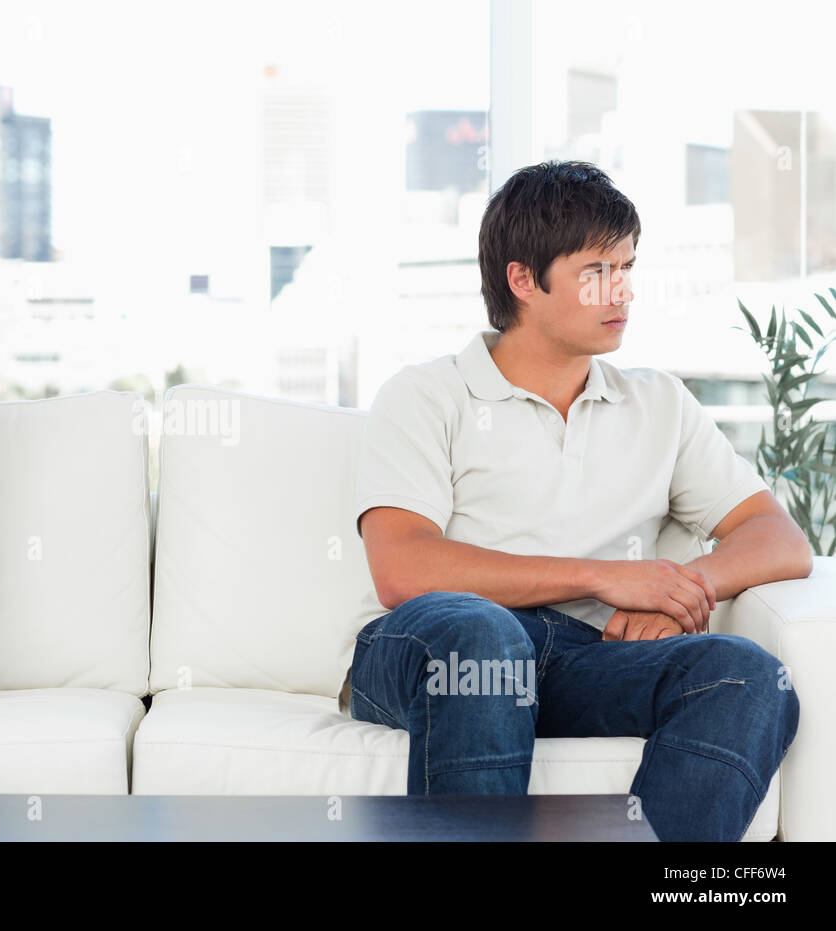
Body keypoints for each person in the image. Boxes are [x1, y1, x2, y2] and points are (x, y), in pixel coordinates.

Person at [344, 160, 808, 842]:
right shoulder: (426, 394)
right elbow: (402, 569)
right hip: (429, 650)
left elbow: (778, 537)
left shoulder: (657, 402)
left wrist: (680, 587)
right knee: (487, 637)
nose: (621, 291)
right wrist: (602, 575)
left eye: (627, 267)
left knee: (746, 676)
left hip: (589, 658)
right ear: (524, 279)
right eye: (597, 271)